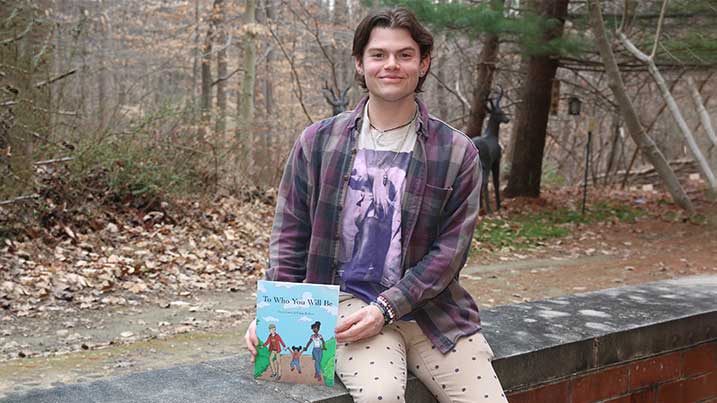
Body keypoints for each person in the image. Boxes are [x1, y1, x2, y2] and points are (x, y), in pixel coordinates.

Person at [246, 7, 508, 403]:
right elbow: (290, 234)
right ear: (360, 62)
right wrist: (275, 317)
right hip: (344, 306)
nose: (391, 65)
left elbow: (449, 255)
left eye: (405, 55)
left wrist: (387, 308)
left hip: (430, 310)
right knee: (379, 395)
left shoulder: (457, 152)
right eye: (378, 54)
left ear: (423, 64)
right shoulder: (318, 142)